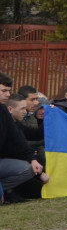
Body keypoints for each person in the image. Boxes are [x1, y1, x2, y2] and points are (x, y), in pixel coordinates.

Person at [0, 75, 46, 204]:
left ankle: (4, 191)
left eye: (9, 90)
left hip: (4, 162)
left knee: (29, 168)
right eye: (4, 91)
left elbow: (18, 139)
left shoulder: (3, 111)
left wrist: (32, 159)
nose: (8, 94)